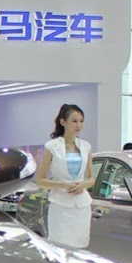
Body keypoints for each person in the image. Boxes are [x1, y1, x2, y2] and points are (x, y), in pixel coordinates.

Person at [36, 104, 93, 249]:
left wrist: (83, 184)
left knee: (80, 248)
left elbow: (92, 179)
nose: (78, 125)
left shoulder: (86, 146)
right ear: (63, 122)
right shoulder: (51, 147)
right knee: (60, 247)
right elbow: (40, 180)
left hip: (82, 206)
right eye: (74, 121)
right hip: (60, 205)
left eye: (81, 121)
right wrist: (64, 185)